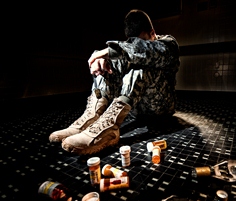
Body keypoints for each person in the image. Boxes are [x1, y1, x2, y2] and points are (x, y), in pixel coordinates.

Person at [49, 9, 180, 155]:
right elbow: (124, 51)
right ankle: (91, 118)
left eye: (142, 40)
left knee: (142, 62)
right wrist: (100, 59)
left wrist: (110, 51)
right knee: (106, 63)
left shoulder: (169, 44)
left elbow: (147, 51)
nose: (134, 44)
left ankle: (110, 127)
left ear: (152, 33)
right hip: (136, 112)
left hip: (160, 111)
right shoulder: (129, 47)